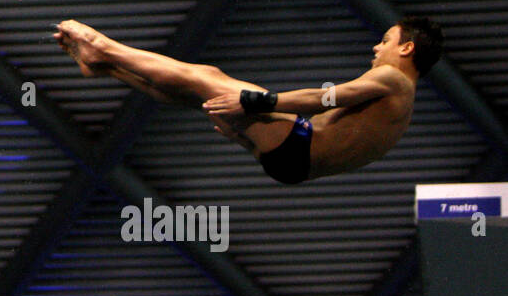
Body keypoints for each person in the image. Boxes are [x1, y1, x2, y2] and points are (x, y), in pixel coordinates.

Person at [52, 16, 444, 183]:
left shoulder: (393, 79)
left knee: (206, 77)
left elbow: (321, 98)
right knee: (197, 91)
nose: (376, 48)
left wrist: (256, 103)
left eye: (386, 41)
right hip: (296, 161)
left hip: (300, 144)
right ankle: (106, 69)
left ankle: (105, 50)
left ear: (407, 48)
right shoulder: (402, 110)